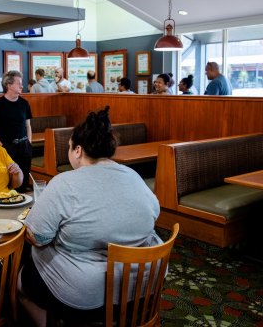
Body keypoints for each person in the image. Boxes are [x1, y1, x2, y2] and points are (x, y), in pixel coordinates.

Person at [18, 107, 161, 327]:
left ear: (78, 150)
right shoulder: (133, 176)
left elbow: (37, 236)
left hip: (87, 296)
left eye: (68, 147)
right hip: (142, 289)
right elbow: (153, 213)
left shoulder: (65, 183)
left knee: (24, 276)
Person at [0, 70, 33, 193]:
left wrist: (29, 143)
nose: (22, 86)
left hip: (24, 146)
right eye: (18, 83)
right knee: (10, 181)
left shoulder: (24, 103)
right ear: (8, 85)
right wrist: (1, 146)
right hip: (7, 147)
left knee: (24, 181)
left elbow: (28, 126)